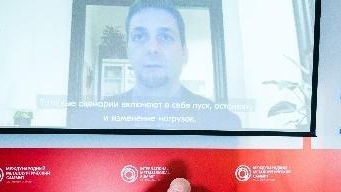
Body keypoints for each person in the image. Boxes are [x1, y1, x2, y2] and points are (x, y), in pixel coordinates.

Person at [69, 0, 241, 130]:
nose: (152, 48)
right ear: (128, 51)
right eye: (139, 37)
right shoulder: (87, 120)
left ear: (184, 53)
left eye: (165, 37)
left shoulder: (224, 122)